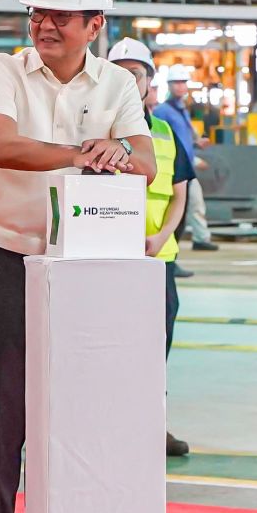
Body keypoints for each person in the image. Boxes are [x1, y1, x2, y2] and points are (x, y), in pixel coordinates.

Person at [0, 0, 155, 513]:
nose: (44, 24)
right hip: (6, 263)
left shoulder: (117, 86)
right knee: (0, 418)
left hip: (85, 274)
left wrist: (121, 149)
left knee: (82, 415)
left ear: (94, 24)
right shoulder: (1, 71)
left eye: (61, 15)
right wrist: (86, 151)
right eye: (37, 13)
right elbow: (3, 146)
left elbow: (148, 160)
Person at [108, 38, 193, 458]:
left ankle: (153, 427)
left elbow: (179, 194)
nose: (128, 81)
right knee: (108, 348)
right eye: (119, 73)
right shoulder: (96, 133)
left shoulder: (164, 131)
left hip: (158, 259)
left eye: (135, 74)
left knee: (156, 347)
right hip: (107, 262)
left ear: (148, 81)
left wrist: (160, 238)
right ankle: (111, 426)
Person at [153, 66, 215, 252]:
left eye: (183, 83)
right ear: (169, 86)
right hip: (172, 169)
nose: (180, 87)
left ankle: (200, 238)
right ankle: (171, 247)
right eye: (176, 83)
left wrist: (197, 143)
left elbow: (184, 137)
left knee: (195, 205)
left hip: (186, 167)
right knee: (175, 212)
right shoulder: (162, 112)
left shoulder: (182, 110)